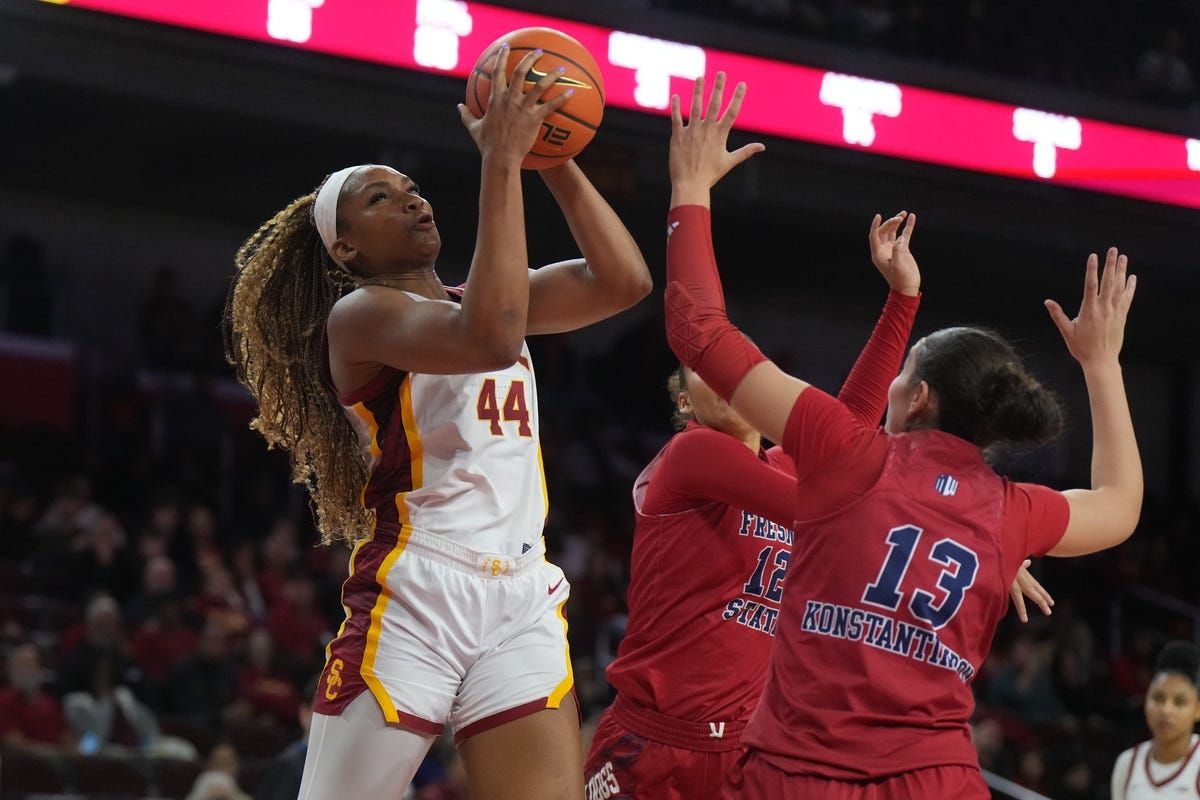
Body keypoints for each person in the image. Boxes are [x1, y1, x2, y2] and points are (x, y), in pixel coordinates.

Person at [663, 73, 1141, 799]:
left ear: (916, 397)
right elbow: (1120, 503)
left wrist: (689, 188)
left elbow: (696, 329)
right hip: (936, 782)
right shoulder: (1009, 512)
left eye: (903, 374)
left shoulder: (847, 450)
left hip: (801, 775)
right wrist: (1102, 365)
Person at [223, 45, 651, 800]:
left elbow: (623, 281)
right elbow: (491, 338)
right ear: (346, 246)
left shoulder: (483, 299)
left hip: (521, 589)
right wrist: (501, 161)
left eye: (414, 189)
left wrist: (552, 157)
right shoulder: (361, 316)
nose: (413, 200)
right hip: (418, 588)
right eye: (381, 198)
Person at [585, 216, 1052, 799]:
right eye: (701, 372)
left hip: (745, 751)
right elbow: (859, 501)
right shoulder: (691, 455)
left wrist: (902, 297)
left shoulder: (790, 468)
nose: (723, 377)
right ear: (685, 403)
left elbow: (854, 420)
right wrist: (959, 530)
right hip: (655, 742)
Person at [1111, 641, 1200, 799]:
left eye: (1179, 702)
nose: (1166, 710)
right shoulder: (1127, 763)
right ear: (1146, 701)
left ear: (1198, 710)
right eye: (1158, 698)